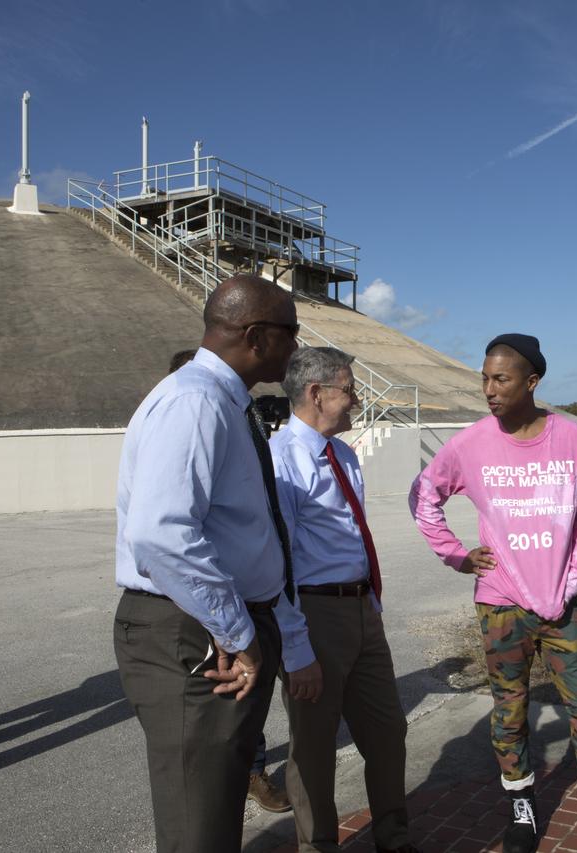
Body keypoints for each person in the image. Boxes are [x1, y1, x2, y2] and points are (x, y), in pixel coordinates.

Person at [114, 274, 320, 852]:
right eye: (290, 334)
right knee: (196, 824)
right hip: (196, 633)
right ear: (256, 336)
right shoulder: (195, 402)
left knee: (215, 808)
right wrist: (238, 630)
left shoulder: (223, 401)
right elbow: (161, 534)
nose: (296, 347)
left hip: (212, 626)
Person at [409, 334, 577, 853]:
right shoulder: (470, 443)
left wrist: (570, 583)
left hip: (563, 606)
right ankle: (522, 805)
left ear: (532, 382)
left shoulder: (573, 438)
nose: (488, 389)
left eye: (500, 379)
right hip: (501, 604)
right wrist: (457, 554)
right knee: (509, 708)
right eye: (484, 378)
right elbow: (424, 497)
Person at [271, 347, 419, 853]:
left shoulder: (345, 455)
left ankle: (394, 838)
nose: (356, 400)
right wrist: (295, 646)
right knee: (313, 746)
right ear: (316, 394)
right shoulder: (281, 461)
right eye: (350, 390)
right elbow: (279, 561)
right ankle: (318, 845)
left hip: (361, 609)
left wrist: (370, 605)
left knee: (387, 731)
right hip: (315, 616)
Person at [166, 344, 289, 814]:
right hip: (207, 600)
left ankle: (246, 771)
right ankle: (248, 774)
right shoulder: (190, 411)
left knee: (244, 705)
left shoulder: (244, 420)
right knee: (221, 715)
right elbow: (170, 532)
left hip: (250, 596)